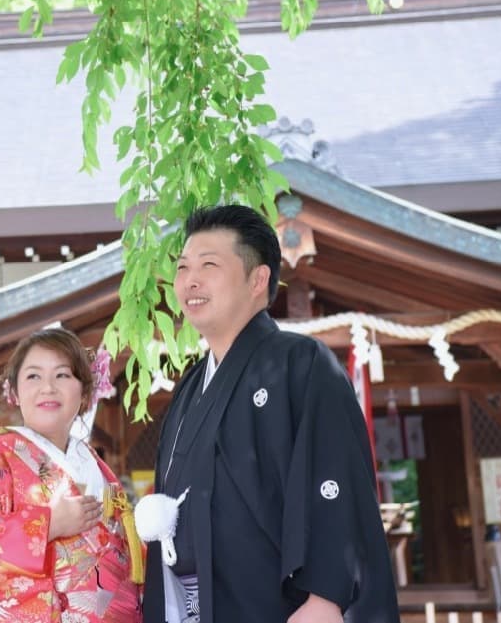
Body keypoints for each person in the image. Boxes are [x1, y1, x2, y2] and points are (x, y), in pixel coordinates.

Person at [141, 204, 399, 623]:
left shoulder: (299, 362)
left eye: (209, 264)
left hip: (281, 607)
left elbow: (336, 476)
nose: (190, 280)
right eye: (184, 267)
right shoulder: (189, 387)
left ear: (258, 279)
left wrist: (326, 597)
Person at [0, 327, 144, 623]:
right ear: (14, 393)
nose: (48, 387)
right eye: (33, 376)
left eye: (62, 375)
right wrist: (46, 526)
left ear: (84, 392)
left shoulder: (97, 468)